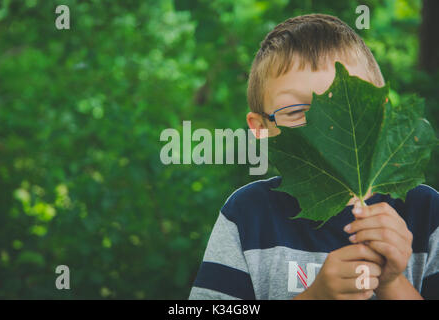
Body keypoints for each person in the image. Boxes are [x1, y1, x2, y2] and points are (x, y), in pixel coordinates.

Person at [188, 14, 438, 300]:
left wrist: (391, 281)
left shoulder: (427, 215)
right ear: (261, 128)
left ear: (381, 112)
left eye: (346, 108)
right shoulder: (246, 215)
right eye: (296, 111)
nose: (327, 129)